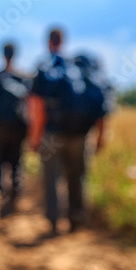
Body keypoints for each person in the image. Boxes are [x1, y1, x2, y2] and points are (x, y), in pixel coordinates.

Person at [29, 27, 108, 235]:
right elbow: (101, 103)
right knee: (77, 177)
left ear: (48, 42)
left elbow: (37, 107)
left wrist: (36, 138)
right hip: (81, 135)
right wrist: (101, 135)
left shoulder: (44, 69)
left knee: (51, 178)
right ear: (63, 41)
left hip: (53, 134)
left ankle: (53, 221)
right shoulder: (82, 68)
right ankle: (76, 219)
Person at [0, 42, 31, 218]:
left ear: (3, 55)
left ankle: (2, 191)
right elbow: (31, 105)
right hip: (19, 126)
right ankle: (15, 192)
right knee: (16, 163)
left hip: (0, 126)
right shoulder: (25, 77)